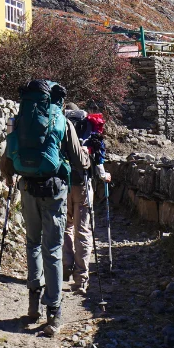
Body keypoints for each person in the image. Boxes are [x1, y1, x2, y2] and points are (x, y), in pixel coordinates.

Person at [0, 80, 90, 336]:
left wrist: (8, 177)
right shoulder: (61, 120)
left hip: (27, 187)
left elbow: (7, 157)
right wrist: (87, 158)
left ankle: (33, 305)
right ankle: (53, 311)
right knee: (52, 249)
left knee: (33, 244)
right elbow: (78, 160)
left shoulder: (21, 119)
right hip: (54, 191)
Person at [63, 103, 111, 295]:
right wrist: (104, 176)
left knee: (65, 226)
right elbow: (98, 158)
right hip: (83, 184)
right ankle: (81, 278)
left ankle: (66, 264)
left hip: (63, 184)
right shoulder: (88, 127)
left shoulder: (61, 124)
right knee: (82, 230)